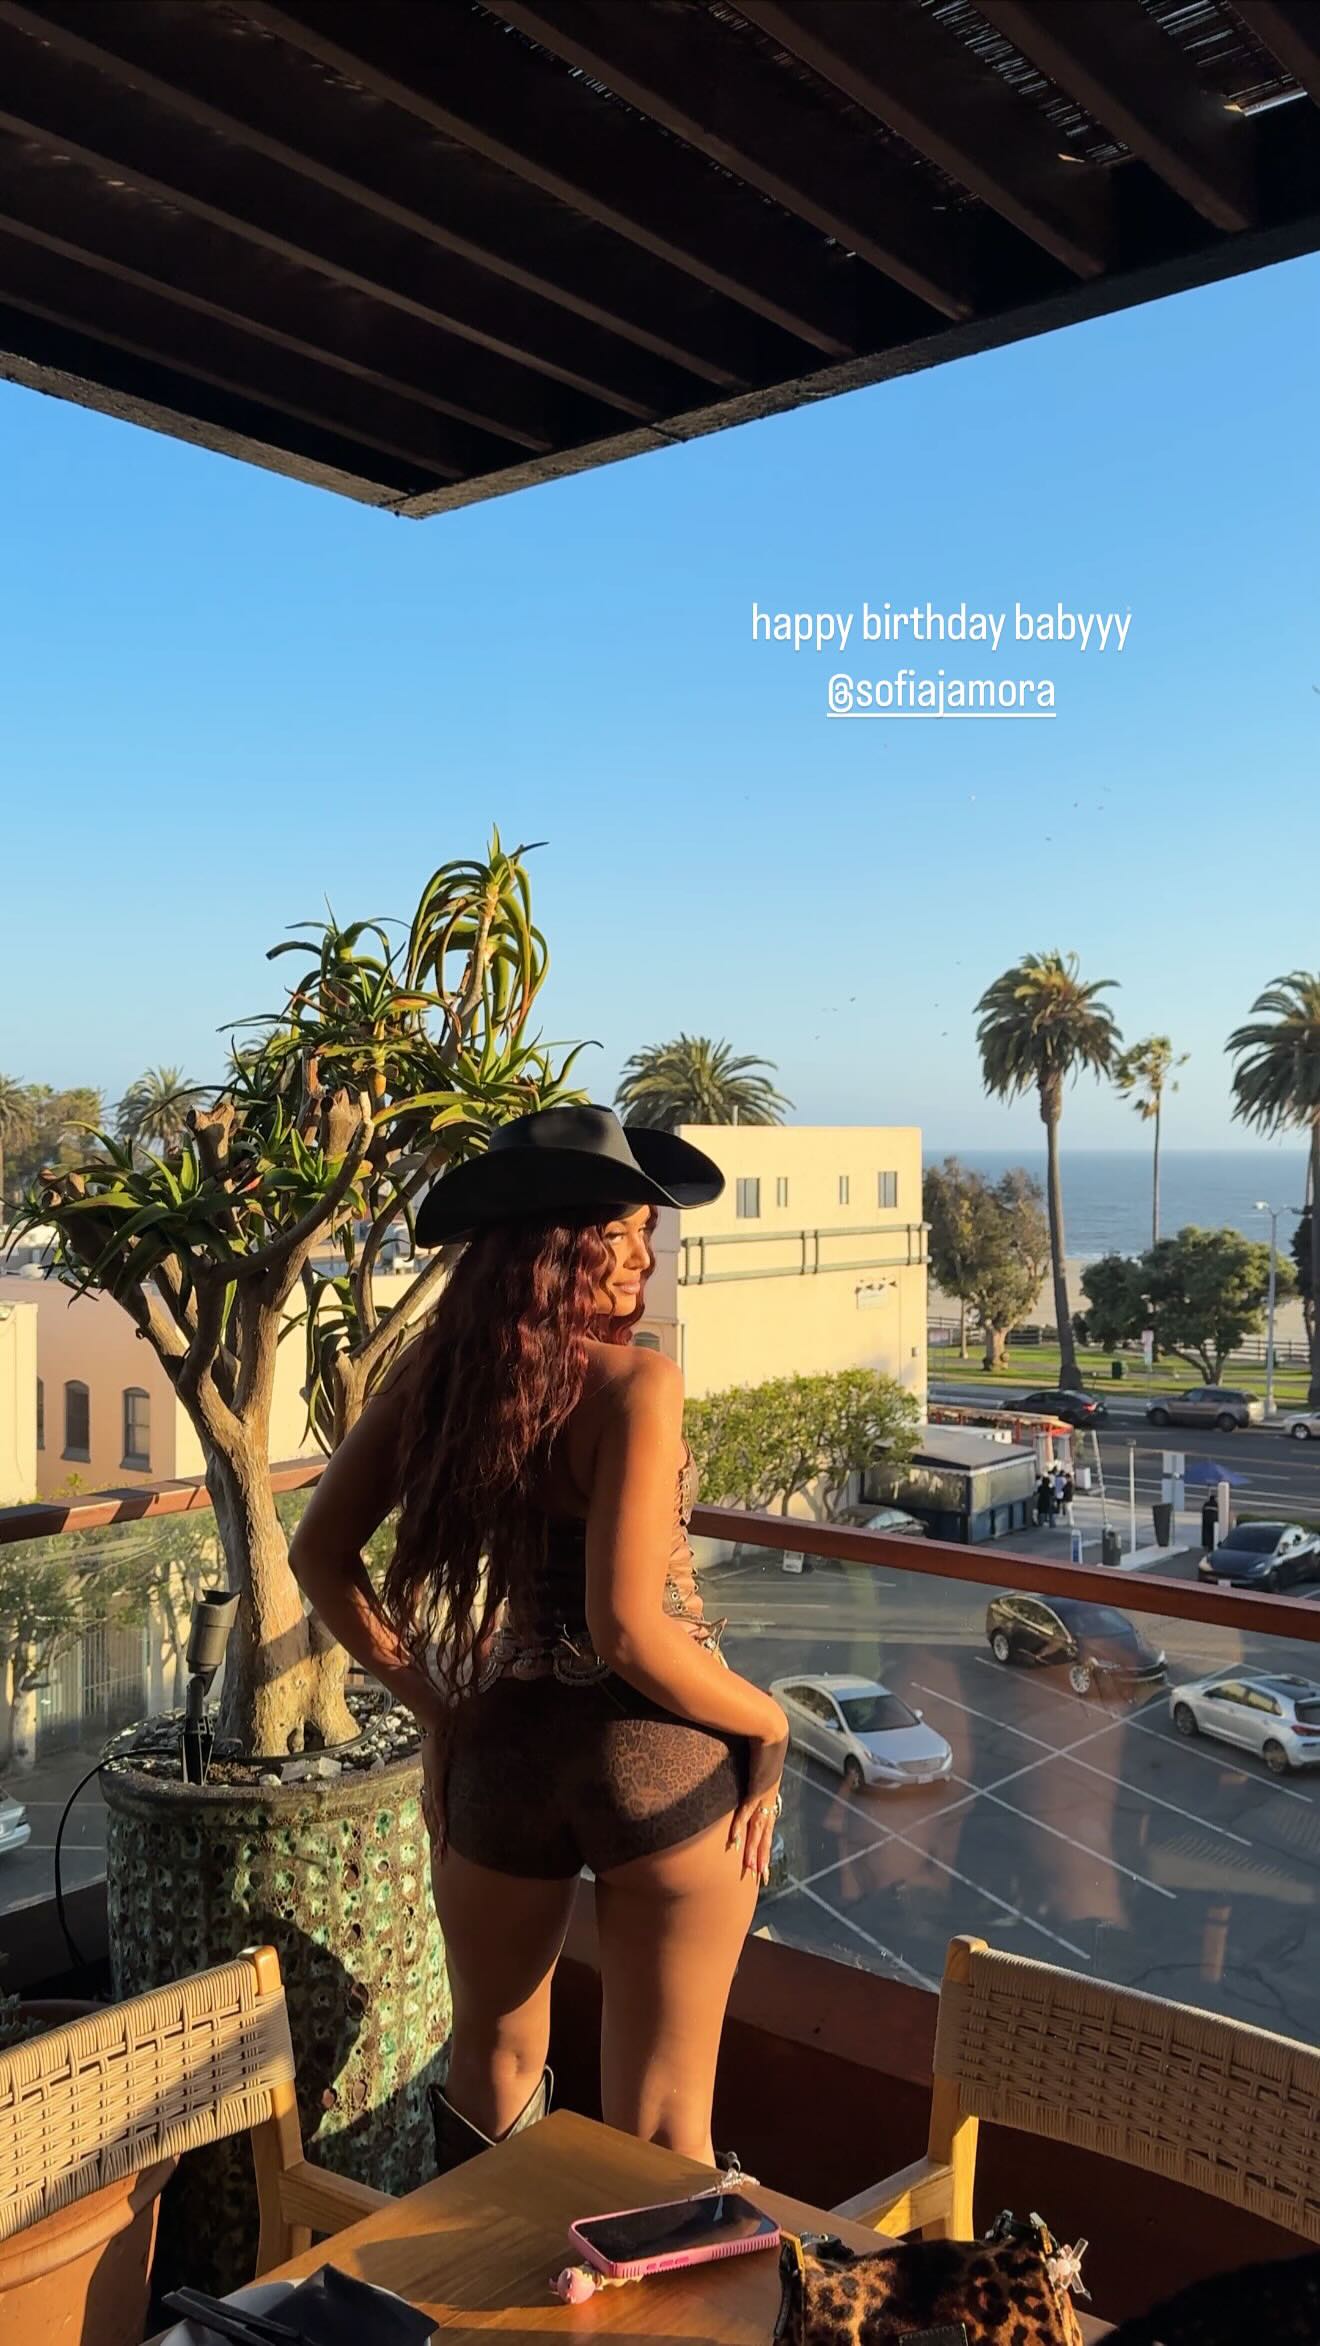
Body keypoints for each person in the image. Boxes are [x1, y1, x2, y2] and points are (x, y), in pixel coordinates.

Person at [288, 1104, 790, 2178]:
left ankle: (486, 2275)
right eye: (628, 1235)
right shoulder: (638, 1384)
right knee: (663, 2131)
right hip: (657, 1759)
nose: (646, 1259)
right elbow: (629, 1631)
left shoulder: (435, 1380)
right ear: (569, 1248)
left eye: (648, 1235)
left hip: (502, 1749)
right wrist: (769, 1723)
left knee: (493, 2067)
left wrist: (438, 1711)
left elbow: (317, 1554)